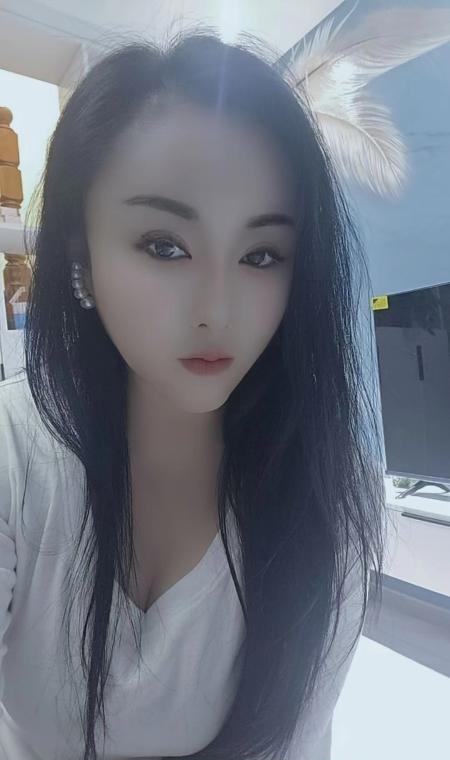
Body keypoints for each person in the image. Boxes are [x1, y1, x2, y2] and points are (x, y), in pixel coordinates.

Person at [0, 30, 387, 760]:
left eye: (261, 255)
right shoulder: (16, 456)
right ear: (82, 253)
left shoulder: (328, 492)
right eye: (165, 246)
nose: (218, 308)